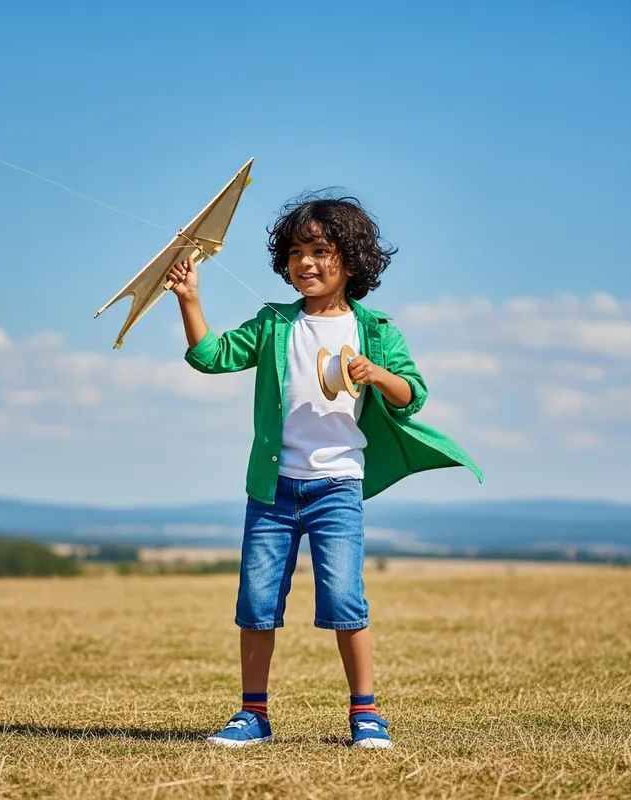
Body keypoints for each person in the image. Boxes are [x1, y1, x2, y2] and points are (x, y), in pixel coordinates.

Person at [167, 193, 482, 749]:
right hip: (271, 489)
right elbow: (211, 356)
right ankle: (252, 715)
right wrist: (190, 299)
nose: (305, 262)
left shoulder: (375, 328)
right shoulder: (273, 325)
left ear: (351, 261)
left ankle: (366, 715)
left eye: (320, 250)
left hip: (337, 487)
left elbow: (413, 395)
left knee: (344, 599)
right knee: (257, 602)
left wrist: (375, 373)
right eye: (295, 252)